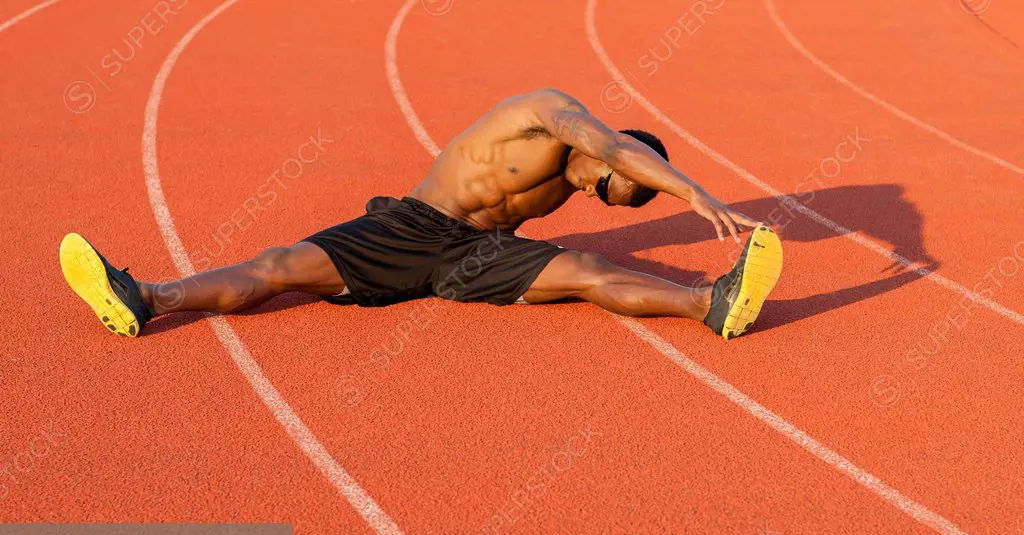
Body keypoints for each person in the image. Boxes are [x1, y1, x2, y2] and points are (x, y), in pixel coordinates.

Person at [59, 89, 782, 340]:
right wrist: (693, 192)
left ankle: (709, 305)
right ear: (616, 159)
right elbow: (608, 144)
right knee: (280, 269)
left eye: (604, 200)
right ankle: (146, 297)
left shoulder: (576, 184)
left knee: (590, 269)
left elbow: (601, 174)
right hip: (410, 229)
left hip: (477, 256)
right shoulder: (551, 115)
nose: (593, 193)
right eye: (606, 185)